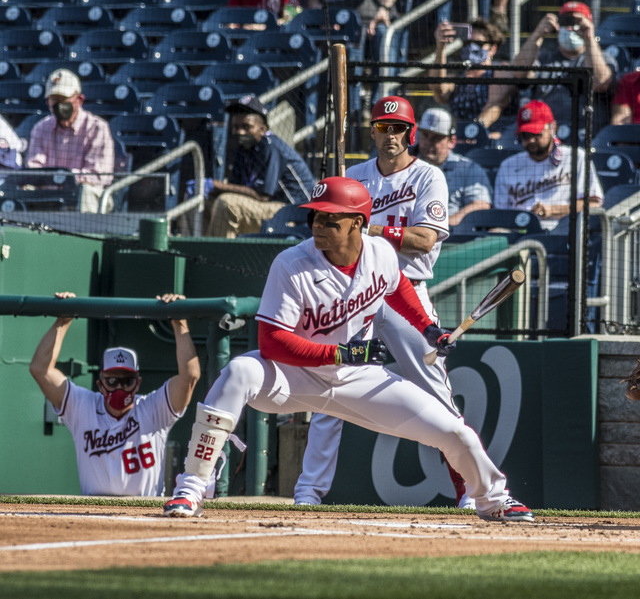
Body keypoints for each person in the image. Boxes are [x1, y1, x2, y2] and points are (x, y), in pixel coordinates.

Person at [162, 175, 534, 522]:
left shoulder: (380, 253)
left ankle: (493, 498)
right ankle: (192, 486)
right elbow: (271, 342)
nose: (317, 227)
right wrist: (338, 355)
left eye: (330, 220)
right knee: (240, 370)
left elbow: (398, 288)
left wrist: (428, 328)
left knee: (455, 432)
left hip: (357, 378)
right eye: (315, 219)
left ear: (357, 223)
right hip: (294, 378)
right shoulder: (292, 264)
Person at [293, 97, 475, 510]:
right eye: (382, 127)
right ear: (371, 130)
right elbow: (331, 235)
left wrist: (366, 226)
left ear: (411, 133)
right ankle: (308, 491)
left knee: (435, 393)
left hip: (405, 288)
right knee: (331, 384)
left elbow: (425, 239)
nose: (390, 135)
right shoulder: (353, 177)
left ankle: (469, 487)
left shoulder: (429, 176)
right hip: (354, 288)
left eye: (397, 128)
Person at [29, 292, 201, 497]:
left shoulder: (154, 408)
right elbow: (40, 369)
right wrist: (63, 321)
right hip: (94, 514)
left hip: (146, 515)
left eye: (126, 380)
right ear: (100, 384)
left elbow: (190, 376)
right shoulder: (83, 406)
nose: (119, 387)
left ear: (137, 383)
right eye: (112, 380)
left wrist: (179, 322)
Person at [204, 95, 314, 238]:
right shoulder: (244, 148)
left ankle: (220, 256)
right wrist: (209, 189)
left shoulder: (271, 147)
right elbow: (234, 187)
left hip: (295, 212)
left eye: (246, 127)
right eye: (235, 127)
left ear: (263, 129)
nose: (240, 132)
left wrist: (215, 185)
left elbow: (262, 196)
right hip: (270, 208)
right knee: (206, 200)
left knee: (227, 204)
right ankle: (196, 254)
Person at [510, 1, 617, 137]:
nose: (570, 27)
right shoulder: (545, 58)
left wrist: (589, 38)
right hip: (545, 139)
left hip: (586, 139)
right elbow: (519, 73)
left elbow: (600, 83)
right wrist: (538, 34)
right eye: (566, 21)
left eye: (576, 21)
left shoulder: (603, 58)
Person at [494, 100, 603, 230]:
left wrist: (553, 210)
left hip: (565, 231)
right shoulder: (508, 165)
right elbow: (500, 214)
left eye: (536, 133)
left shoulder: (576, 157)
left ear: (553, 127)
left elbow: (594, 204)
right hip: (519, 233)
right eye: (525, 135)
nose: (531, 140)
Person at [26, 69, 115, 213]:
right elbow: (33, 168)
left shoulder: (97, 127)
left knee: (86, 191)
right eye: (54, 100)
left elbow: (98, 176)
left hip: (84, 196)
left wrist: (63, 178)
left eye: (64, 99)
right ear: (47, 102)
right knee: (26, 188)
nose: (59, 105)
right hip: (50, 196)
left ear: (79, 100)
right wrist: (55, 180)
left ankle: (85, 235)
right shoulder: (40, 128)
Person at [429, 18, 517, 136]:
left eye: (478, 43)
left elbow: (495, 105)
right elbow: (438, 88)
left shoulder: (500, 70)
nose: (471, 47)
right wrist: (440, 47)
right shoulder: (457, 80)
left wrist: (473, 131)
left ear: (492, 49)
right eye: (467, 43)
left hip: (493, 142)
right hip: (460, 142)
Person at [417, 108, 492, 226]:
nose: (428, 142)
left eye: (436, 137)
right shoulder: (406, 165)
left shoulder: (468, 168)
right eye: (425, 135)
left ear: (451, 141)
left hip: (452, 237)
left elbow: (481, 204)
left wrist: (445, 225)